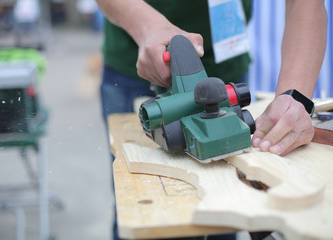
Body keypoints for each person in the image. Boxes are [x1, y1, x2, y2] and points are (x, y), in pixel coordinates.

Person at [96, 0, 327, 239]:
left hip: (225, 58)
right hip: (135, 60)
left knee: (224, 214)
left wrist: (294, 97)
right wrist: (147, 27)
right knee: (147, 218)